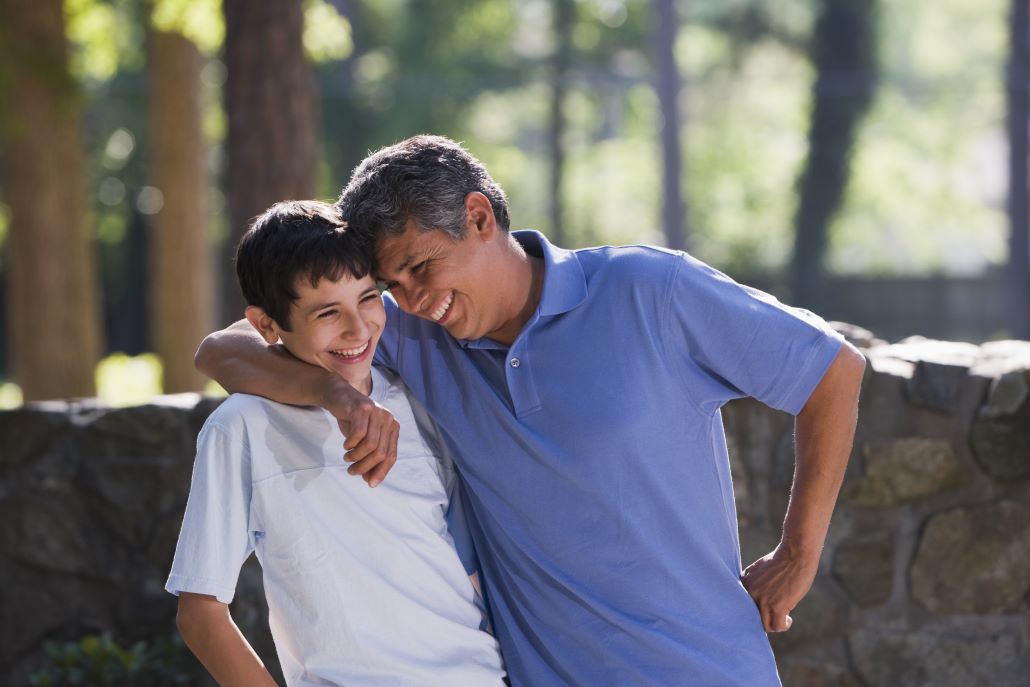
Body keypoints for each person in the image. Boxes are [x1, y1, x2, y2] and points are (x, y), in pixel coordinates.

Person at [196, 136, 866, 686]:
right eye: (391, 285)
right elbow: (225, 346)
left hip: (708, 670)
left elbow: (831, 369)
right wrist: (334, 395)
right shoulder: (414, 334)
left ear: (481, 217)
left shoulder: (649, 291)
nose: (413, 299)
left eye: (422, 268)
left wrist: (799, 551)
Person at [167, 200, 507, 687]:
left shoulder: (417, 403)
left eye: (368, 299)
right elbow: (200, 612)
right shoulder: (241, 427)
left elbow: (464, 569)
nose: (358, 329)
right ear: (266, 325)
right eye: (328, 312)